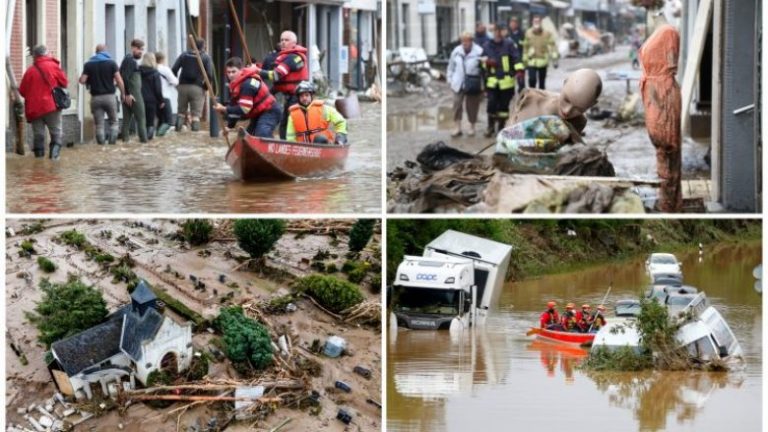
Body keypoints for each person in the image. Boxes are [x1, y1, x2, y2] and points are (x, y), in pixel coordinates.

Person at [640, 15, 682, 212]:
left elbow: (671, 64)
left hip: (663, 94)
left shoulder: (668, 32)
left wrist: (658, 94)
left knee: (666, 147)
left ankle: (668, 203)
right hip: (653, 93)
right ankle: (667, 201)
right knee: (661, 148)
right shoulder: (659, 30)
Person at [508, 68, 602, 139]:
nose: (567, 111)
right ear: (564, 83)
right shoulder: (530, 100)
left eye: (579, 109)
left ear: (591, 105)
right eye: (566, 100)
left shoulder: (579, 122)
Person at [19, 45, 69, 159]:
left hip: (34, 109)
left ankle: (39, 162)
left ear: (35, 56)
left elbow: (22, 91)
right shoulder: (53, 66)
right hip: (51, 106)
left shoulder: (29, 71)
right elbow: (64, 82)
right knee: (56, 132)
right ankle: (54, 160)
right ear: (46, 54)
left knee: (39, 135)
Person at [257, 31, 309, 139]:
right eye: (282, 40)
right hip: (289, 97)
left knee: (290, 125)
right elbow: (274, 74)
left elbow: (276, 75)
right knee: (284, 125)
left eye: (286, 40)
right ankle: (283, 146)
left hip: (299, 98)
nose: (283, 43)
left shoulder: (294, 58)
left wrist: (257, 71)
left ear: (294, 43)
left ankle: (293, 147)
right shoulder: (283, 57)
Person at [214, 56, 282, 138]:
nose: (230, 75)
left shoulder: (248, 84)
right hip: (258, 114)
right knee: (247, 138)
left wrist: (224, 109)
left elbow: (244, 109)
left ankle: (269, 149)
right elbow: (234, 108)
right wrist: (229, 127)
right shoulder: (235, 86)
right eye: (228, 72)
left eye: (233, 72)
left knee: (262, 133)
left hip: (270, 111)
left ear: (241, 71)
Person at [481, 23, 524, 136]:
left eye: (500, 31)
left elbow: (517, 59)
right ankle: (490, 126)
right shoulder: (486, 46)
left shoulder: (509, 44)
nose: (498, 33)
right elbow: (481, 64)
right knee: (491, 104)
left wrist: (519, 72)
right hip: (492, 82)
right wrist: (487, 64)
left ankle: (501, 127)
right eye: (496, 31)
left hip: (506, 82)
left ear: (503, 32)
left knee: (503, 107)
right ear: (493, 32)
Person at [79, 44, 126, 145]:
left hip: (95, 98)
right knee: (114, 122)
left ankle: (101, 147)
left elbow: (82, 80)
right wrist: (123, 94)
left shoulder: (88, 64)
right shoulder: (112, 63)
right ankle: (111, 145)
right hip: (109, 97)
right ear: (106, 52)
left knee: (99, 124)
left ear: (96, 52)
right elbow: (119, 80)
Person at [447, 31, 484, 137]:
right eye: (463, 41)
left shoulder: (479, 51)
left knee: (472, 105)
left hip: (473, 82)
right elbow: (450, 67)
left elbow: (483, 70)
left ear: (471, 41)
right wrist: (450, 80)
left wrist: (482, 85)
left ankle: (472, 126)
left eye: (467, 41)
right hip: (458, 82)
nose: (464, 43)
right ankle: (457, 127)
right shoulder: (456, 51)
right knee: (457, 104)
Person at [172, 37, 213, 132]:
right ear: (203, 46)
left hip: (182, 87)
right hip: (197, 88)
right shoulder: (206, 57)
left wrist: (177, 83)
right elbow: (210, 75)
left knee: (181, 113)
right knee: (195, 116)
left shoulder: (183, 55)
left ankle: (177, 132)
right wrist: (205, 87)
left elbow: (174, 69)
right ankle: (194, 137)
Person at [119, 38, 147, 143]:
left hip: (127, 94)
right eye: (139, 49)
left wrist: (124, 94)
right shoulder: (130, 60)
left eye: (142, 49)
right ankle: (144, 143)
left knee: (126, 120)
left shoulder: (127, 60)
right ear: (133, 48)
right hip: (133, 94)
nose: (141, 51)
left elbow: (122, 77)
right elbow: (124, 77)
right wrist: (127, 94)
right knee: (141, 118)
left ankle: (125, 142)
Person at [522, 15, 558, 90]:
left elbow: (552, 46)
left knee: (542, 83)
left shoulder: (547, 33)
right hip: (531, 61)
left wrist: (555, 59)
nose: (536, 23)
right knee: (532, 80)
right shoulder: (528, 33)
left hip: (543, 61)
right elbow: (525, 46)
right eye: (535, 21)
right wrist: (524, 60)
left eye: (538, 21)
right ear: (532, 22)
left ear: (541, 22)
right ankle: (532, 95)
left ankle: (541, 98)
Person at [138, 53, 166, 140]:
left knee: (141, 121)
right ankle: (148, 141)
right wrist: (161, 101)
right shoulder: (155, 73)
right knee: (150, 122)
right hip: (151, 101)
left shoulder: (138, 71)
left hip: (139, 99)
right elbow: (158, 89)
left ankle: (141, 139)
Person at [155, 52, 178, 137]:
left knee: (160, 120)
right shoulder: (165, 69)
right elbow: (175, 81)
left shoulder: (152, 68)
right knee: (168, 121)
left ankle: (156, 140)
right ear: (162, 59)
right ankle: (158, 135)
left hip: (154, 99)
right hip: (165, 97)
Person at [507, 17, 526, 89]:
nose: (512, 25)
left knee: (521, 81)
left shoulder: (522, 34)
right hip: (509, 60)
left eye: (514, 23)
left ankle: (521, 94)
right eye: (511, 23)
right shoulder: (507, 34)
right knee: (509, 79)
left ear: (517, 24)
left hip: (519, 59)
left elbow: (525, 45)